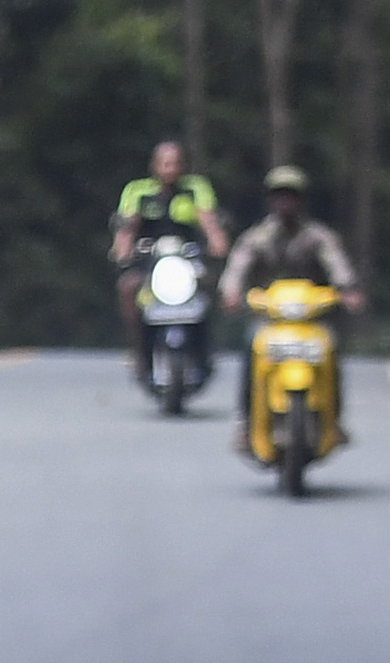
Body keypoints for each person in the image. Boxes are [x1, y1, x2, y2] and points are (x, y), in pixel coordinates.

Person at [219, 166, 367, 439]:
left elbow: (337, 263)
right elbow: (238, 266)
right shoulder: (257, 237)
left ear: (302, 200)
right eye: (279, 196)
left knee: (330, 350)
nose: (285, 202)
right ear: (270, 201)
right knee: (252, 349)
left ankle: (334, 419)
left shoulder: (318, 236)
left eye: (291, 196)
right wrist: (231, 292)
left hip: (311, 319)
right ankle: (247, 421)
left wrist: (347, 290)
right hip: (268, 319)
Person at [109, 141, 227, 387]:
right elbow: (127, 228)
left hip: (187, 260)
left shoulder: (195, 188)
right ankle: (139, 349)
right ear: (154, 166)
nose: (171, 169)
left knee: (210, 286)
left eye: (176, 163)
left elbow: (209, 221)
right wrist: (122, 249)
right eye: (165, 163)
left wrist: (217, 242)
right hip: (150, 261)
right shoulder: (138, 191)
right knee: (128, 288)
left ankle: (205, 344)